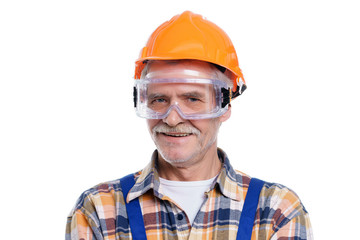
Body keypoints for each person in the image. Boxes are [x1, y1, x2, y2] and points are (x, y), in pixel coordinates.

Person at [66, 11, 313, 240]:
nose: (172, 118)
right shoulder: (99, 211)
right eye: (159, 100)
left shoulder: (275, 212)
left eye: (192, 99)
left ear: (225, 105)